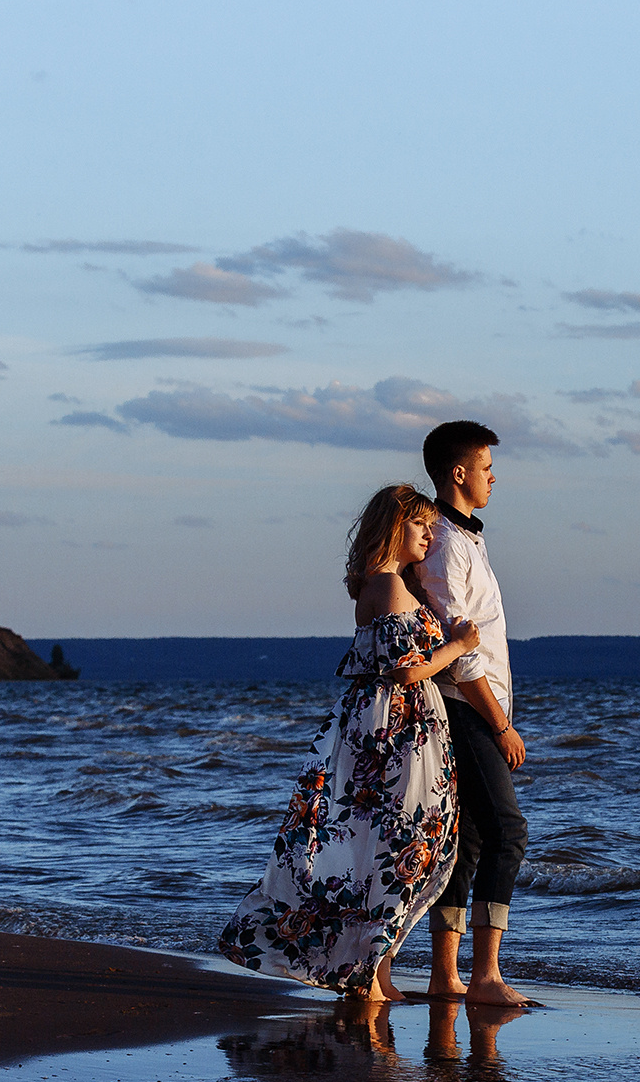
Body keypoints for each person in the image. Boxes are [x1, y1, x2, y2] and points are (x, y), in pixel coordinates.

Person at [217, 484, 481, 1003]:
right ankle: (367, 973)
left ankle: (373, 971)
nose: (430, 533)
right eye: (420, 525)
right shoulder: (385, 586)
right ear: (393, 528)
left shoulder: (386, 584)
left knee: (386, 846)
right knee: (398, 844)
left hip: (388, 728)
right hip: (394, 733)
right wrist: (459, 645)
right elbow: (406, 672)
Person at [417, 420, 531, 1006]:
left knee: (471, 840)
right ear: (458, 473)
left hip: (476, 708)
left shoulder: (467, 538)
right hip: (466, 709)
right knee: (508, 832)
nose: (494, 477)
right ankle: (483, 974)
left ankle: (447, 975)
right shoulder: (441, 541)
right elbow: (460, 653)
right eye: (486, 468)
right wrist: (501, 724)